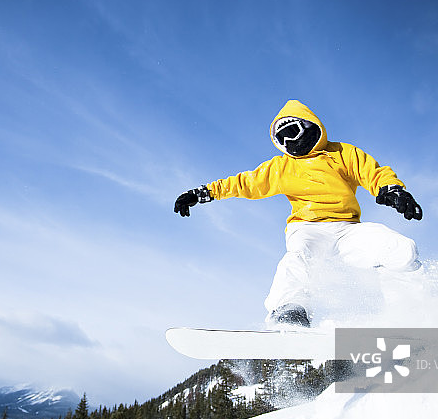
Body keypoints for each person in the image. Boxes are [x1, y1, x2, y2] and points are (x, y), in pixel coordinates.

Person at [174, 100, 422, 327]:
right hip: (307, 227)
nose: (289, 142)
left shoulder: (342, 153)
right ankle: (289, 310)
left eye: (292, 132)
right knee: (299, 256)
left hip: (348, 229)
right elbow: (243, 183)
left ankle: (407, 314)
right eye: (281, 138)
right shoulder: (281, 168)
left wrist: (393, 190)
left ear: (310, 127)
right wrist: (201, 193)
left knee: (399, 247)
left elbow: (373, 172)